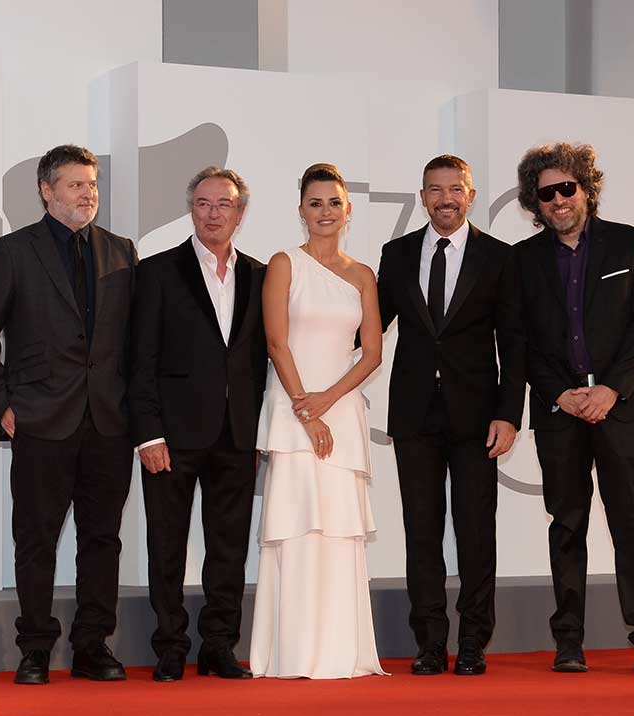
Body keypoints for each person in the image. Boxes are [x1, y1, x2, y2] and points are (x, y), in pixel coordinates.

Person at [0, 145, 137, 685]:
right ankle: (35, 648)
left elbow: (132, 340)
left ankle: (92, 647)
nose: (88, 194)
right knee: (36, 539)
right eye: (76, 185)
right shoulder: (14, 251)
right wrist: (3, 405)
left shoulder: (122, 251)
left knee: (102, 539)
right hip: (40, 420)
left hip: (108, 422)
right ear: (47, 191)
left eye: (92, 185)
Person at [514, 143, 634, 676]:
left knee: (632, 524)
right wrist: (559, 392)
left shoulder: (629, 243)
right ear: (535, 203)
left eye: (567, 188)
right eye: (547, 193)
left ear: (586, 188)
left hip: (620, 407)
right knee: (567, 523)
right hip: (560, 411)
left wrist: (610, 390)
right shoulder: (524, 260)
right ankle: (569, 642)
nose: (559, 199)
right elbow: (521, 341)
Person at [375, 155, 525, 676]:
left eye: (455, 189)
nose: (445, 198)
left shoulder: (499, 258)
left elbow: (515, 344)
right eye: (435, 190)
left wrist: (509, 414)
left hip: (477, 418)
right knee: (421, 532)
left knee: (476, 533)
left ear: (471, 194)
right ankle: (430, 643)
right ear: (422, 197)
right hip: (414, 416)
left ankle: (474, 642)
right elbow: (368, 328)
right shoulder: (395, 256)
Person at [249, 163, 387, 679]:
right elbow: (276, 342)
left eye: (334, 202)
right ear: (300, 210)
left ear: (347, 209)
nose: (325, 212)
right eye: (315, 203)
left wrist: (326, 401)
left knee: (337, 530)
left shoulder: (362, 275)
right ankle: (291, 652)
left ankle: (338, 652)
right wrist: (307, 410)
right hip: (292, 412)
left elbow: (371, 353)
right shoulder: (285, 263)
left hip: (340, 410)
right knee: (297, 526)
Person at [130, 167, 267, 682]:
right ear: (191, 209)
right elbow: (138, 358)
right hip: (171, 437)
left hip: (236, 435)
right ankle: (169, 647)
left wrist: (258, 433)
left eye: (224, 204)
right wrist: (148, 433)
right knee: (167, 545)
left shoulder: (258, 274)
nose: (214, 213)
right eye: (204, 203)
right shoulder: (159, 271)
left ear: (240, 212)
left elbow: (262, 361)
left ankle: (218, 646)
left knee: (228, 549)